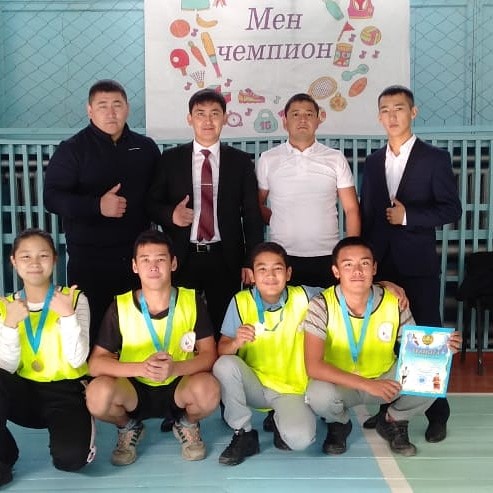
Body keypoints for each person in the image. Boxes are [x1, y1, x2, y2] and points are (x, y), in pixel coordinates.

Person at [359, 85, 463, 442]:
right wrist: (368, 261)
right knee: (386, 339)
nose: (392, 116)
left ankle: (437, 413)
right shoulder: (373, 161)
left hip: (418, 264)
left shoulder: (434, 158)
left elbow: (451, 209)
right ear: (379, 117)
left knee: (427, 338)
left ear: (413, 113)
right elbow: (369, 213)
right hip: (380, 265)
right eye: (385, 110)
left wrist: (408, 216)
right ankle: (388, 408)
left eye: (399, 108)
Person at [302, 236, 462, 457]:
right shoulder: (321, 304)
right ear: (336, 271)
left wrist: (441, 349)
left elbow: (414, 348)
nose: (357, 271)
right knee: (316, 394)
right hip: (342, 383)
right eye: (348, 265)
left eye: (364, 263)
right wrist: (367, 384)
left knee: (434, 373)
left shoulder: (394, 300)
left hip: (386, 378)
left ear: (374, 268)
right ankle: (339, 423)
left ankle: (394, 419)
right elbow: (313, 366)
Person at [85, 230, 219, 466]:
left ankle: (187, 424)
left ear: (173, 263)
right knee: (96, 395)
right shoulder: (120, 305)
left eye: (160, 259)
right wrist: (142, 368)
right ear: (135, 266)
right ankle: (128, 427)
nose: (153, 266)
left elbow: (209, 355)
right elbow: (95, 364)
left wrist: (175, 368)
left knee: (209, 390)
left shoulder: (191, 300)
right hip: (134, 387)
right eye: (145, 260)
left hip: (179, 382)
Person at [44, 79, 161, 345]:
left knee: (137, 328)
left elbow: (157, 197)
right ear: (90, 110)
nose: (111, 113)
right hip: (89, 258)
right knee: (93, 329)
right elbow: (52, 198)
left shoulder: (145, 148)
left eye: (117, 105)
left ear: (127, 108)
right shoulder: (73, 149)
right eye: (102, 106)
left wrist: (170, 213)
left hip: (136, 258)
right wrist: (97, 206)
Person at [147, 88, 264, 339]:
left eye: (214, 114)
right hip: (182, 255)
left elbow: (252, 214)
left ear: (225, 118)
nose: (208, 121)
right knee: (182, 321)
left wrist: (251, 260)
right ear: (190, 118)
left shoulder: (240, 162)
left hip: (225, 256)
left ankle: (221, 364)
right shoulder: (171, 159)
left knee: (224, 324)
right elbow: (151, 204)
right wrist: (171, 215)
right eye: (200, 114)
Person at [0, 229, 94, 487]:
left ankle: (83, 425)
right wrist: (10, 325)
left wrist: (67, 316)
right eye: (26, 256)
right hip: (23, 393)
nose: (34, 263)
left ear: (54, 259)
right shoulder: (5, 306)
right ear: (13, 261)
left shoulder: (74, 299)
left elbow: (77, 360)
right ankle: (4, 455)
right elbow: (5, 367)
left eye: (42, 255)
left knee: (71, 460)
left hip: (65, 392)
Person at [213, 242, 321, 466]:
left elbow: (344, 293)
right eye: (262, 269)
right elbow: (221, 349)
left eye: (277, 269)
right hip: (255, 386)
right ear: (252, 275)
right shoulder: (241, 301)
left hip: (292, 389)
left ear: (288, 273)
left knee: (300, 439)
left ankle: (279, 418)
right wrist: (236, 342)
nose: (270, 276)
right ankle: (243, 433)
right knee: (224, 365)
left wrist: (384, 284)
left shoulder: (305, 295)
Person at [256, 93, 361, 287]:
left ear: (318, 120)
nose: (302, 119)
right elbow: (257, 203)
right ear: (285, 122)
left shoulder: (335, 158)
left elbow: (351, 209)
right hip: (282, 256)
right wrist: (275, 219)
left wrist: (350, 254)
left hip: (327, 254)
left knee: (327, 307)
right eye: (295, 114)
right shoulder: (268, 159)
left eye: (309, 114)